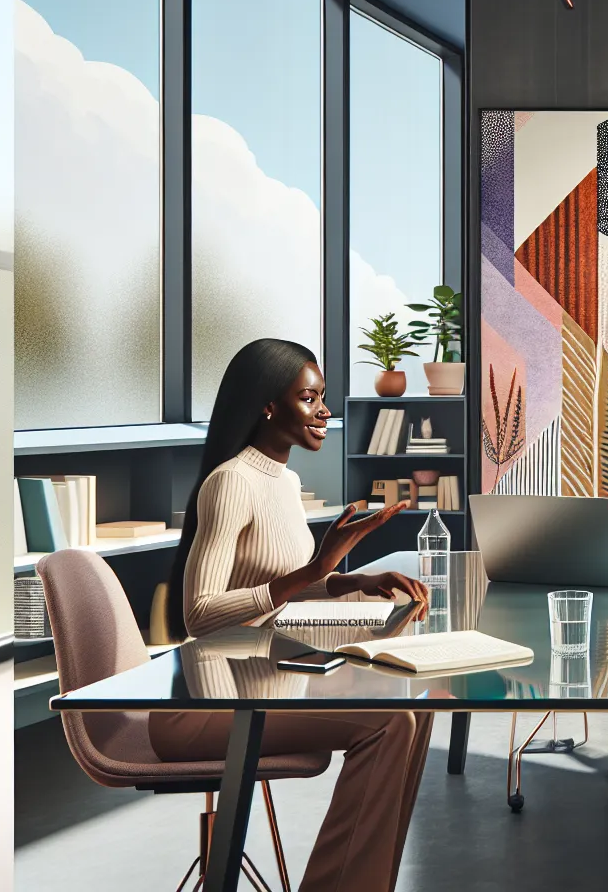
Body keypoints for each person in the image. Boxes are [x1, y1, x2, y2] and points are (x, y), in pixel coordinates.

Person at [151, 338, 434, 892]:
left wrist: (350, 580)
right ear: (267, 406)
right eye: (309, 398)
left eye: (323, 397)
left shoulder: (283, 480)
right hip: (209, 706)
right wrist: (312, 572)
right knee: (388, 721)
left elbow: (272, 586)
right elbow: (199, 615)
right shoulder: (231, 482)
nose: (324, 411)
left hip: (262, 684)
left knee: (415, 709)